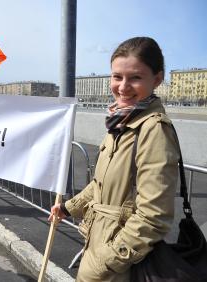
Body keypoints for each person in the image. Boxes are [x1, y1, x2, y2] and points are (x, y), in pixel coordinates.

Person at [49, 37, 179, 281]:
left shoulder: (153, 130)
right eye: (117, 76)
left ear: (157, 80)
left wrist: (105, 262)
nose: (123, 86)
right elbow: (100, 183)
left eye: (135, 78)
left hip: (119, 266)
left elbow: (154, 216)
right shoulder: (121, 122)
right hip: (99, 244)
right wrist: (68, 207)